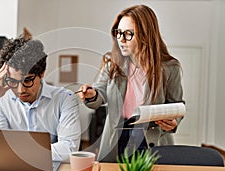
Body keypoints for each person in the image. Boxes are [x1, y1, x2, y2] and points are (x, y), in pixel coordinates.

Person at [78, 4, 184, 162]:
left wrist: (174, 122)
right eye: (119, 33)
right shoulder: (112, 64)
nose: (121, 39)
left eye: (128, 34)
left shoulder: (170, 68)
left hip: (150, 138)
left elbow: (177, 104)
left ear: (146, 35)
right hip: (116, 136)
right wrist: (92, 95)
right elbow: (99, 95)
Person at [0, 37, 81, 162]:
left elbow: (69, 149)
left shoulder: (65, 99)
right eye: (12, 81)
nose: (20, 90)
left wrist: (19, 152)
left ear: (42, 73)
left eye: (27, 80)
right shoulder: (3, 100)